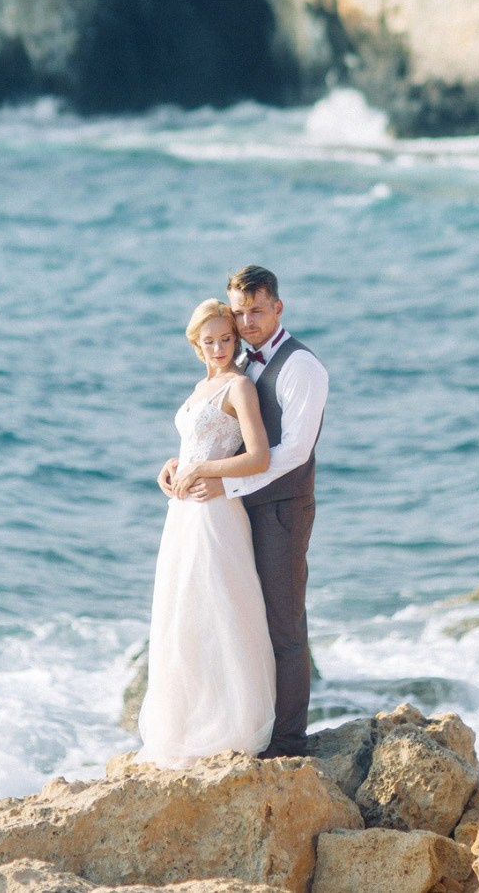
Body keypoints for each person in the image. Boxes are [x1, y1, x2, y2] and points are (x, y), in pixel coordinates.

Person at [163, 265, 327, 758]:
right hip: (233, 507)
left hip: (280, 508)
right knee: (235, 615)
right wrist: (180, 466)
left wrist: (221, 480)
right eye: (241, 312)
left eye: (257, 310)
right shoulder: (242, 362)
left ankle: (287, 741)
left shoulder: (301, 367)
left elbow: (295, 450)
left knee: (283, 623)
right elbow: (217, 429)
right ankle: (234, 719)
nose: (248, 321)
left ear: (278, 306)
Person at [138, 299, 277, 768]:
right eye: (209, 341)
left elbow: (258, 457)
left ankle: (232, 724)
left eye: (225, 339)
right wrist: (174, 465)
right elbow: (193, 443)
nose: (218, 348)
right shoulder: (202, 386)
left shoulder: (239, 387)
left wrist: (203, 468)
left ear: (235, 340)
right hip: (183, 513)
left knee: (221, 612)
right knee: (184, 614)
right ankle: (189, 721)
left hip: (216, 510)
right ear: (196, 344)